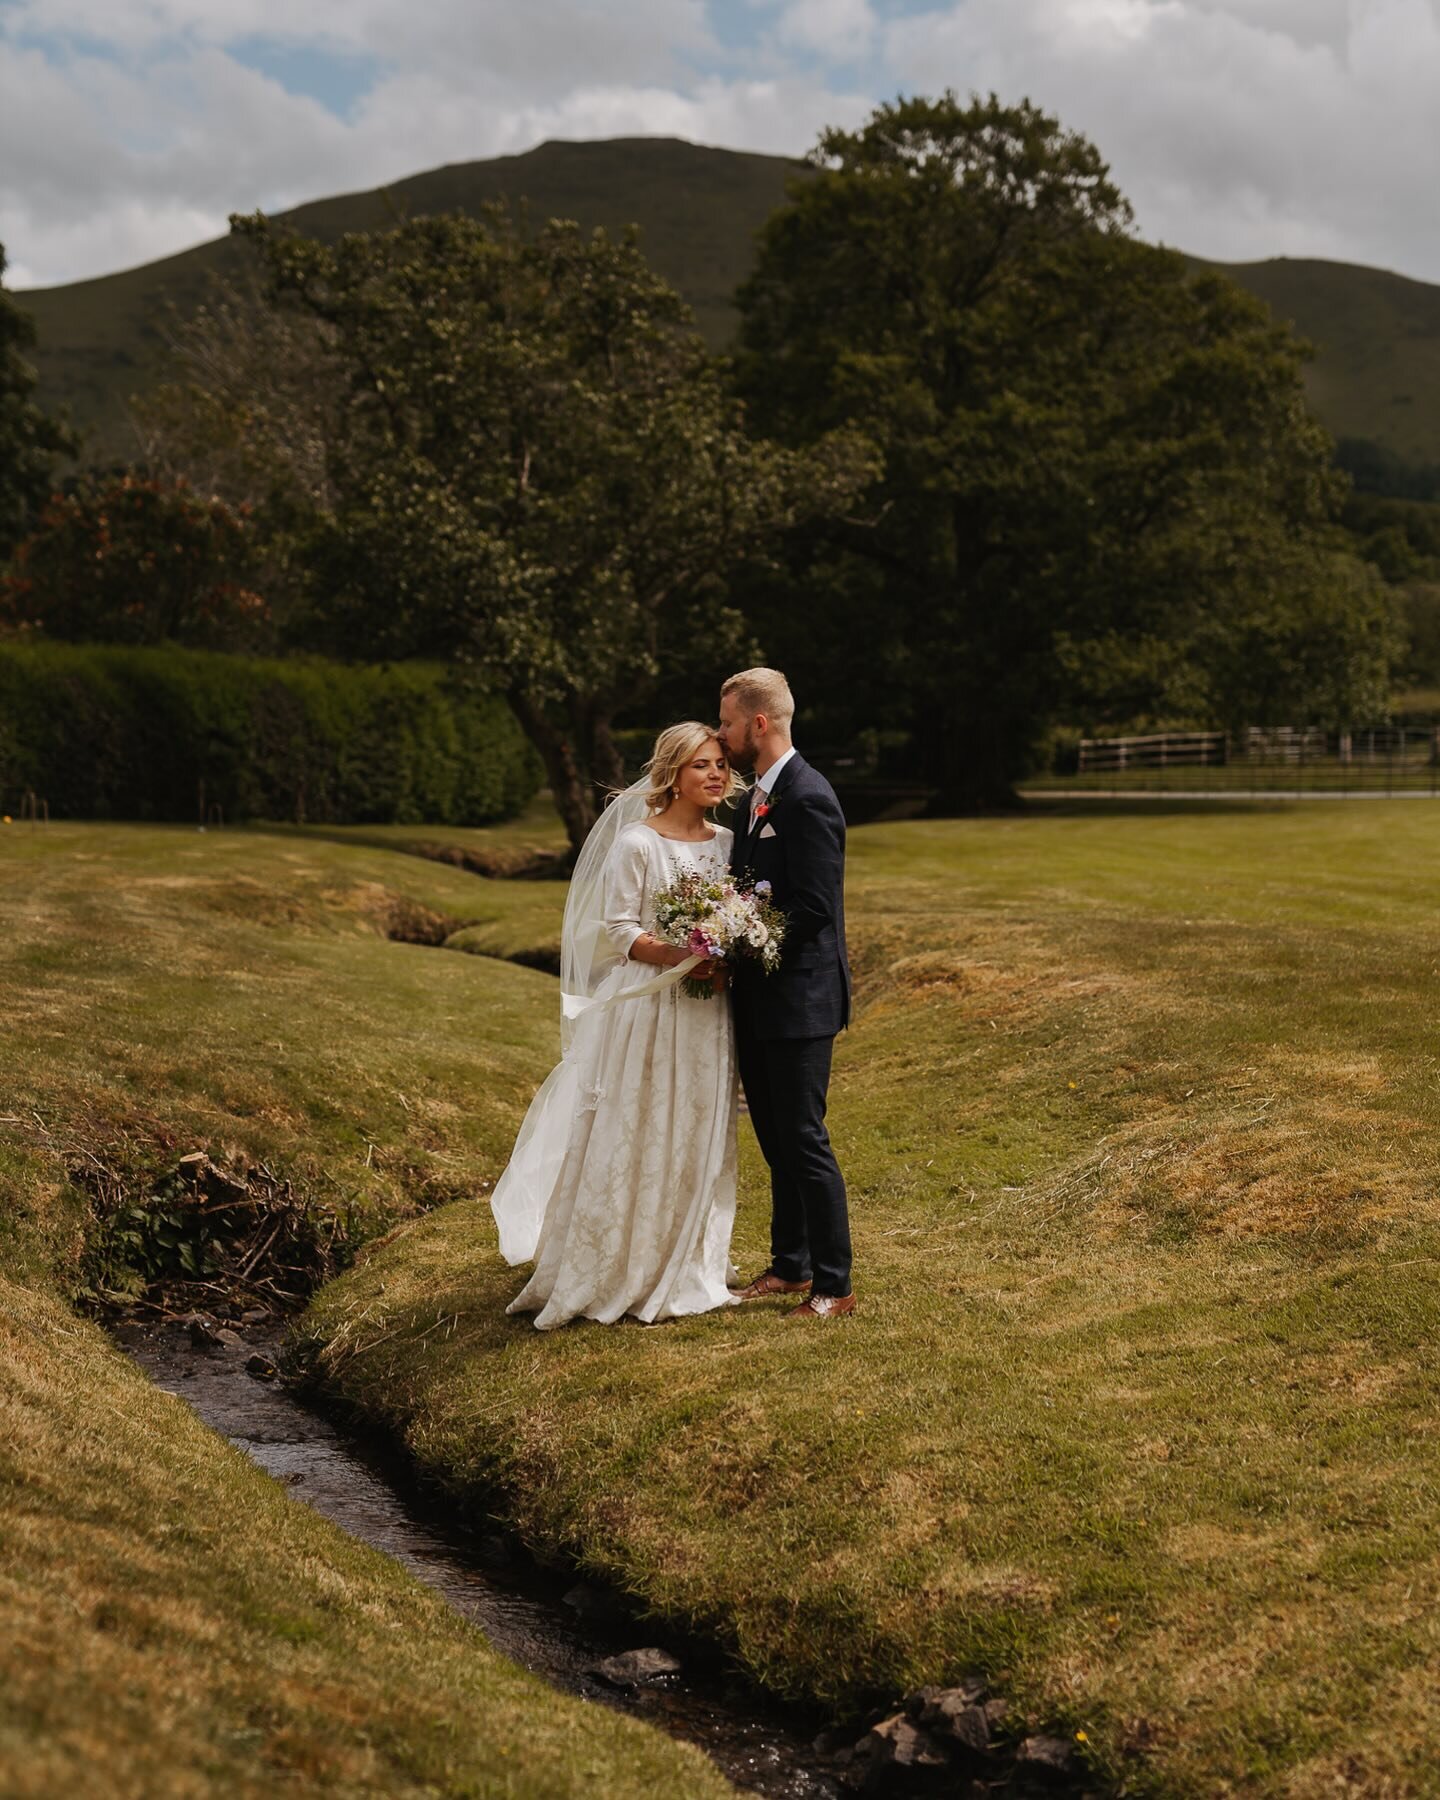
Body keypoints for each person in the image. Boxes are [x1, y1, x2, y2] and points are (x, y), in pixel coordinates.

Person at [491, 722, 744, 1330]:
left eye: (720, 764)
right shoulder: (638, 843)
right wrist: (683, 955)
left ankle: (689, 1257)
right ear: (671, 776)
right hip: (649, 1007)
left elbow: (742, 913)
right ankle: (616, 1259)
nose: (714, 774)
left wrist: (725, 956)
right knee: (639, 1121)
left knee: (695, 1124)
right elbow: (621, 930)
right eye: (700, 766)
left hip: (708, 1013)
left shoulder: (731, 842)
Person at [718, 667, 855, 1319]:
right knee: (774, 1137)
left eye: (727, 722)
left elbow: (816, 909)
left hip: (800, 1000)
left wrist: (741, 938)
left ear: (759, 723)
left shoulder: (809, 796)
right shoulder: (755, 800)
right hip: (758, 999)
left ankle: (835, 1284)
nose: (722, 735)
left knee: (802, 1136)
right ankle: (791, 1266)